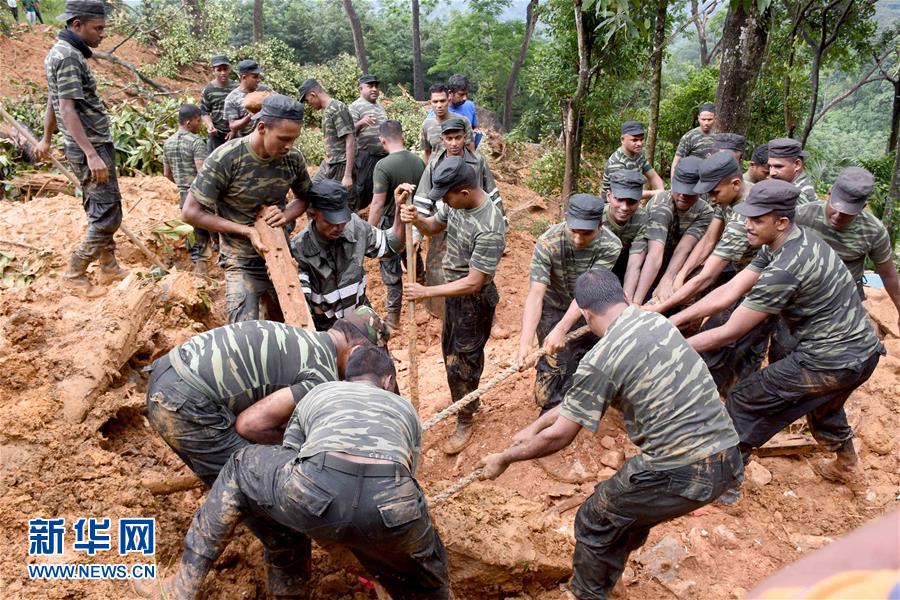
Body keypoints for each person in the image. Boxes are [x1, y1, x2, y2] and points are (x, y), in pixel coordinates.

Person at [480, 267, 743, 600]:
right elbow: (577, 402)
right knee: (627, 514)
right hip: (728, 459)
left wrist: (504, 458)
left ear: (586, 316)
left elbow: (561, 436)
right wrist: (534, 425)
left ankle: (585, 594)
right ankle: (609, 583)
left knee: (594, 517)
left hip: (683, 471)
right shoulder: (656, 322)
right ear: (626, 297)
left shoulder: (601, 358)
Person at [139, 345, 450, 600]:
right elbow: (409, 473)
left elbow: (290, 456)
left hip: (314, 491)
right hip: (393, 507)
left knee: (238, 464)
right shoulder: (405, 410)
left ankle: (182, 587)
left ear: (347, 379)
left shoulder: (322, 392)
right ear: (388, 381)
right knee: (432, 574)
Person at [672, 179, 884, 491]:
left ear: (781, 222)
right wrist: (671, 320)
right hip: (862, 355)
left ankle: (724, 486)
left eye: (757, 220)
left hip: (830, 360)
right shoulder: (790, 242)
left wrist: (673, 347)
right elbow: (730, 290)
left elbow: (731, 331)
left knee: (745, 400)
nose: (748, 225)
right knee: (826, 407)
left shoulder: (787, 266)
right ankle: (848, 465)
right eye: (747, 217)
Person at [145, 309, 387, 487]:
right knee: (264, 490)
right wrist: (294, 450)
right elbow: (249, 425)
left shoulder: (308, 341)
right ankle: (285, 552)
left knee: (225, 478)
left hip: (167, 376)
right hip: (187, 402)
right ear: (356, 352)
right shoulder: (321, 375)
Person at [400, 157, 506, 455]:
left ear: (464, 192)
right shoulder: (455, 202)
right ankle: (467, 400)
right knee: (450, 354)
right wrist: (415, 219)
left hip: (473, 300)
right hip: (455, 295)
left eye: (446, 196)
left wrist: (426, 291)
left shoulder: (490, 226)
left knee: (463, 361)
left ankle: (465, 418)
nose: (443, 201)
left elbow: (474, 282)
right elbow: (434, 226)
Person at [181, 94, 311, 323]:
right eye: (283, 138)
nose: (289, 146)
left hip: (279, 254)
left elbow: (305, 197)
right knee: (245, 332)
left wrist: (285, 214)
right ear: (262, 128)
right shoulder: (226, 158)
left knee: (292, 326)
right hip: (240, 259)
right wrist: (247, 231)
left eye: (294, 139)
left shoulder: (292, 159)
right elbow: (190, 212)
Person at [36, 0, 126, 297]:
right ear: (77, 25)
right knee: (109, 214)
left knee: (98, 207)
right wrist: (91, 154)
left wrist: (47, 138)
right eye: (97, 28)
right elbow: (67, 108)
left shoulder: (60, 53)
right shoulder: (69, 57)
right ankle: (76, 271)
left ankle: (109, 265)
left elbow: (53, 100)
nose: (103, 35)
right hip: (91, 146)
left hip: (84, 145)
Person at [518, 194, 621, 413]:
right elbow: (536, 294)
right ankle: (552, 411)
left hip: (589, 306)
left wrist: (563, 328)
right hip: (553, 305)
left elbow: (587, 292)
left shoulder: (611, 245)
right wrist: (525, 343)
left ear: (600, 227)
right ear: (566, 219)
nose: (578, 239)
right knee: (552, 363)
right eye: (573, 231)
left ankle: (582, 402)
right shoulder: (548, 242)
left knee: (589, 356)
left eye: (587, 233)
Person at [413, 117, 505, 319]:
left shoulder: (477, 161)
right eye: (449, 139)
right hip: (447, 222)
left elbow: (492, 191)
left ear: (465, 138)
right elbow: (423, 199)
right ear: (442, 140)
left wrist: (502, 223)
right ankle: (439, 310)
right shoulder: (435, 164)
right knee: (439, 268)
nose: (453, 143)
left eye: (458, 138)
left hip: (474, 226)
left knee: (474, 271)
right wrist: (415, 226)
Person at [794, 166, 900, 332]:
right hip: (802, 293)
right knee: (785, 347)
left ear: (863, 206)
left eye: (847, 213)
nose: (837, 216)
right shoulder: (801, 215)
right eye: (835, 208)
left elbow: (888, 274)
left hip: (845, 297)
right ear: (829, 194)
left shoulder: (873, 231)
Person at [291, 180, 406, 331]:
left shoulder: (355, 227)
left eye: (342, 220)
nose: (338, 227)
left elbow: (391, 245)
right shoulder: (299, 249)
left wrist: (399, 211)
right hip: (327, 328)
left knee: (378, 350)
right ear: (313, 214)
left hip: (360, 316)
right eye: (330, 221)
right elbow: (301, 308)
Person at [659, 151, 754, 314]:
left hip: (761, 280)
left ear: (736, 184)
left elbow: (708, 276)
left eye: (714, 192)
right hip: (743, 271)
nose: (710, 199)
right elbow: (709, 240)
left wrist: (659, 307)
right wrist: (681, 275)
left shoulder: (743, 218)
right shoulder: (728, 195)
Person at [367, 120, 427, 329]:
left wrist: (369, 231)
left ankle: (393, 320)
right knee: (411, 253)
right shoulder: (419, 162)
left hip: (390, 222)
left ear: (382, 141)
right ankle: (423, 290)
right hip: (412, 217)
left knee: (391, 269)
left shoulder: (383, 166)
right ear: (402, 136)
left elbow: (377, 203)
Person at [634, 156, 713, 305]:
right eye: (679, 189)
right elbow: (654, 255)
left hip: (675, 265)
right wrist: (636, 302)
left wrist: (668, 279)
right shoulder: (661, 204)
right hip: (645, 265)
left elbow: (684, 248)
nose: (682, 196)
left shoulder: (705, 212)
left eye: (689, 192)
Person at [163, 104, 211, 273]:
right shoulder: (196, 143)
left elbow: (167, 173)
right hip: (198, 193)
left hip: (183, 192)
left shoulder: (168, 143)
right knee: (203, 226)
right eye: (199, 120)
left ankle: (196, 261)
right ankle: (202, 267)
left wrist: (181, 182)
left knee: (190, 228)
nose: (201, 124)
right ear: (189, 122)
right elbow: (202, 172)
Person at [299, 78, 358, 209]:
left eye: (308, 100)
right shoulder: (328, 110)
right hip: (330, 164)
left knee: (342, 205)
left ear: (313, 94)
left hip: (341, 165)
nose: (309, 104)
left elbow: (350, 139)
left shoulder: (337, 107)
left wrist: (347, 175)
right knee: (312, 193)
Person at [601, 170, 648, 303]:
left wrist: (627, 301)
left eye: (632, 202)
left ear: (639, 201)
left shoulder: (642, 219)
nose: (625, 207)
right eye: (619, 199)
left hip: (625, 267)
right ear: (609, 196)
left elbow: (634, 265)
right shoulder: (595, 217)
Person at [349, 74, 388, 210]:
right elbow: (348, 133)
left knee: (381, 189)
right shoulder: (355, 107)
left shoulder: (380, 108)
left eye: (376, 86)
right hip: (365, 157)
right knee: (362, 190)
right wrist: (360, 123)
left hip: (383, 157)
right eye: (370, 86)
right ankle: (354, 218)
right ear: (360, 88)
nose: (374, 89)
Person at [601, 120, 664, 198]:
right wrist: (654, 193)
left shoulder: (639, 156)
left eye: (641, 139)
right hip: (613, 204)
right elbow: (626, 192)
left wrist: (661, 192)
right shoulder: (617, 162)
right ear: (622, 140)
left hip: (630, 201)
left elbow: (653, 176)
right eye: (634, 140)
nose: (639, 144)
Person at [419, 83, 474, 164]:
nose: (439, 105)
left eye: (442, 101)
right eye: (435, 101)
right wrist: (427, 174)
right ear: (430, 102)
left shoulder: (463, 121)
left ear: (448, 100)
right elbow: (426, 153)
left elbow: (471, 151)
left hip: (459, 170)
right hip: (435, 172)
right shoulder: (426, 125)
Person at [222, 59, 271, 139]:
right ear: (244, 77)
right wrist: (250, 116)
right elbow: (233, 126)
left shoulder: (265, 90)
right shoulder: (232, 98)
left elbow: (279, 102)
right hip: (247, 141)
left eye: (258, 76)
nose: (258, 80)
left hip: (267, 138)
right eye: (255, 77)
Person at [199, 54, 236, 153]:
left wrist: (234, 130)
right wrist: (210, 126)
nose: (223, 73)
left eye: (225, 69)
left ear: (229, 69)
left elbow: (243, 111)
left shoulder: (237, 88)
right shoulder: (209, 90)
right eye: (219, 70)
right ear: (213, 71)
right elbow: (204, 111)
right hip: (216, 134)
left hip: (235, 133)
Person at [671, 101, 717, 179]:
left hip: (710, 179)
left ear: (715, 119)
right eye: (703, 119)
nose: (706, 122)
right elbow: (677, 161)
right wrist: (674, 185)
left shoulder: (718, 137)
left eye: (709, 119)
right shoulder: (689, 137)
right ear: (698, 118)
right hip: (691, 180)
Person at [767, 137, 816, 205]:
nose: (772, 173)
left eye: (778, 166)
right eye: (770, 166)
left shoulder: (795, 195)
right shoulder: (795, 185)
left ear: (797, 165)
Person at [447, 73, 481, 148]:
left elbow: (475, 127)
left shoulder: (470, 105)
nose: (465, 98)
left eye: (466, 94)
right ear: (450, 93)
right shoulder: (441, 110)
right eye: (461, 94)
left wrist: (475, 131)